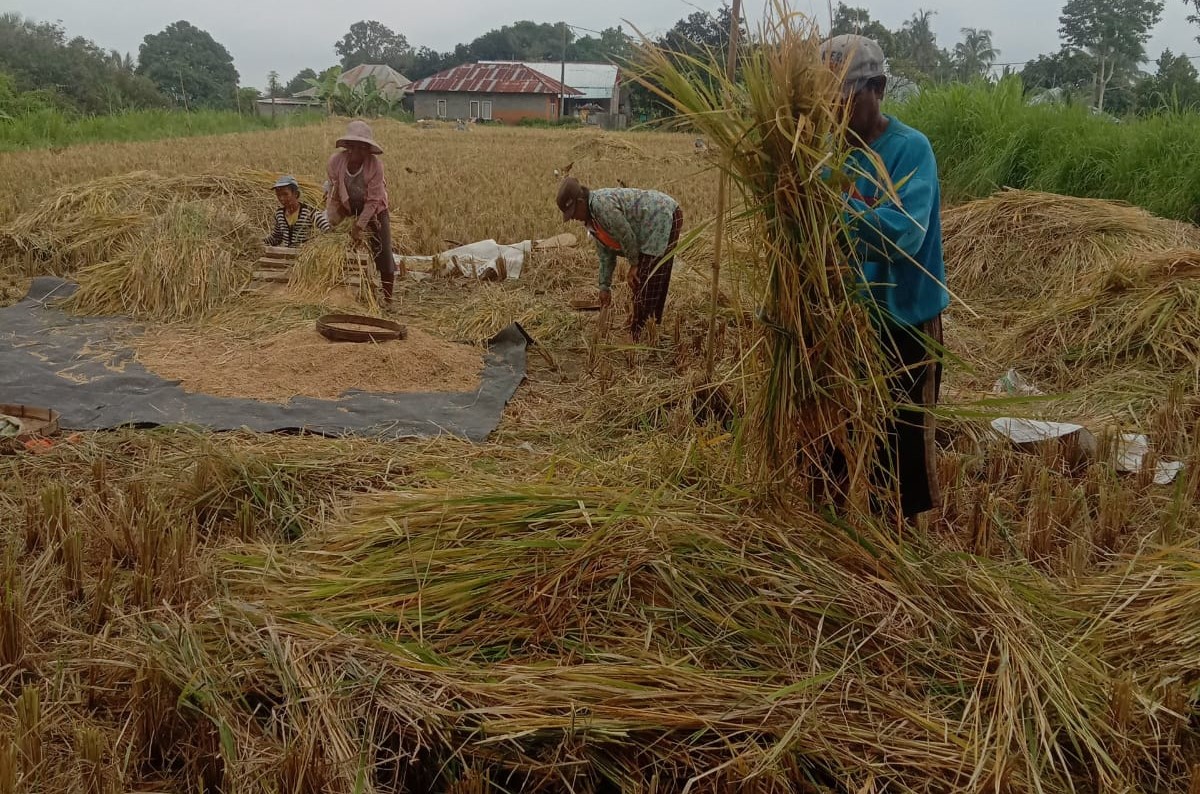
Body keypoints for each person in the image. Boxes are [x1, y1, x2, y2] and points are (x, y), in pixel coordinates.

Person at [820, 34, 949, 519]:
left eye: (846, 100)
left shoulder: (912, 151)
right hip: (853, 323)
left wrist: (832, 213)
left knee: (903, 447)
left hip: (908, 323)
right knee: (843, 436)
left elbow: (905, 237)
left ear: (878, 88)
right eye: (828, 102)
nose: (836, 113)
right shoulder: (832, 157)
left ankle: (901, 549)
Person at [556, 177, 683, 339]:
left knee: (649, 280)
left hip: (663, 216)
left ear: (581, 201)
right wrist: (604, 287)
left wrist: (634, 264)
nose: (573, 218)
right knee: (642, 281)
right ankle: (642, 325)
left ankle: (642, 332)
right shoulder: (593, 222)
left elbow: (626, 235)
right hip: (649, 229)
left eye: (573, 212)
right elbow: (606, 256)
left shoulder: (601, 207)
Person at [323, 120, 399, 304]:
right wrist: (332, 216)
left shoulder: (375, 166)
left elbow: (373, 200)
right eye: (354, 147)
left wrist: (359, 226)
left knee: (383, 250)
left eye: (363, 147)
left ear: (368, 149)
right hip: (348, 206)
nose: (358, 152)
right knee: (333, 242)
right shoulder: (336, 162)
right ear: (348, 146)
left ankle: (388, 298)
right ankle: (341, 291)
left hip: (375, 210)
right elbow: (334, 190)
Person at [263, 175, 330, 248]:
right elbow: (276, 238)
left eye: (285, 194)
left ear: (296, 194)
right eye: (278, 195)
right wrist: (258, 243)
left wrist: (315, 245)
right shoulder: (279, 214)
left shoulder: (309, 211)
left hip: (303, 256)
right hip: (285, 255)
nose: (282, 198)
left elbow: (328, 230)